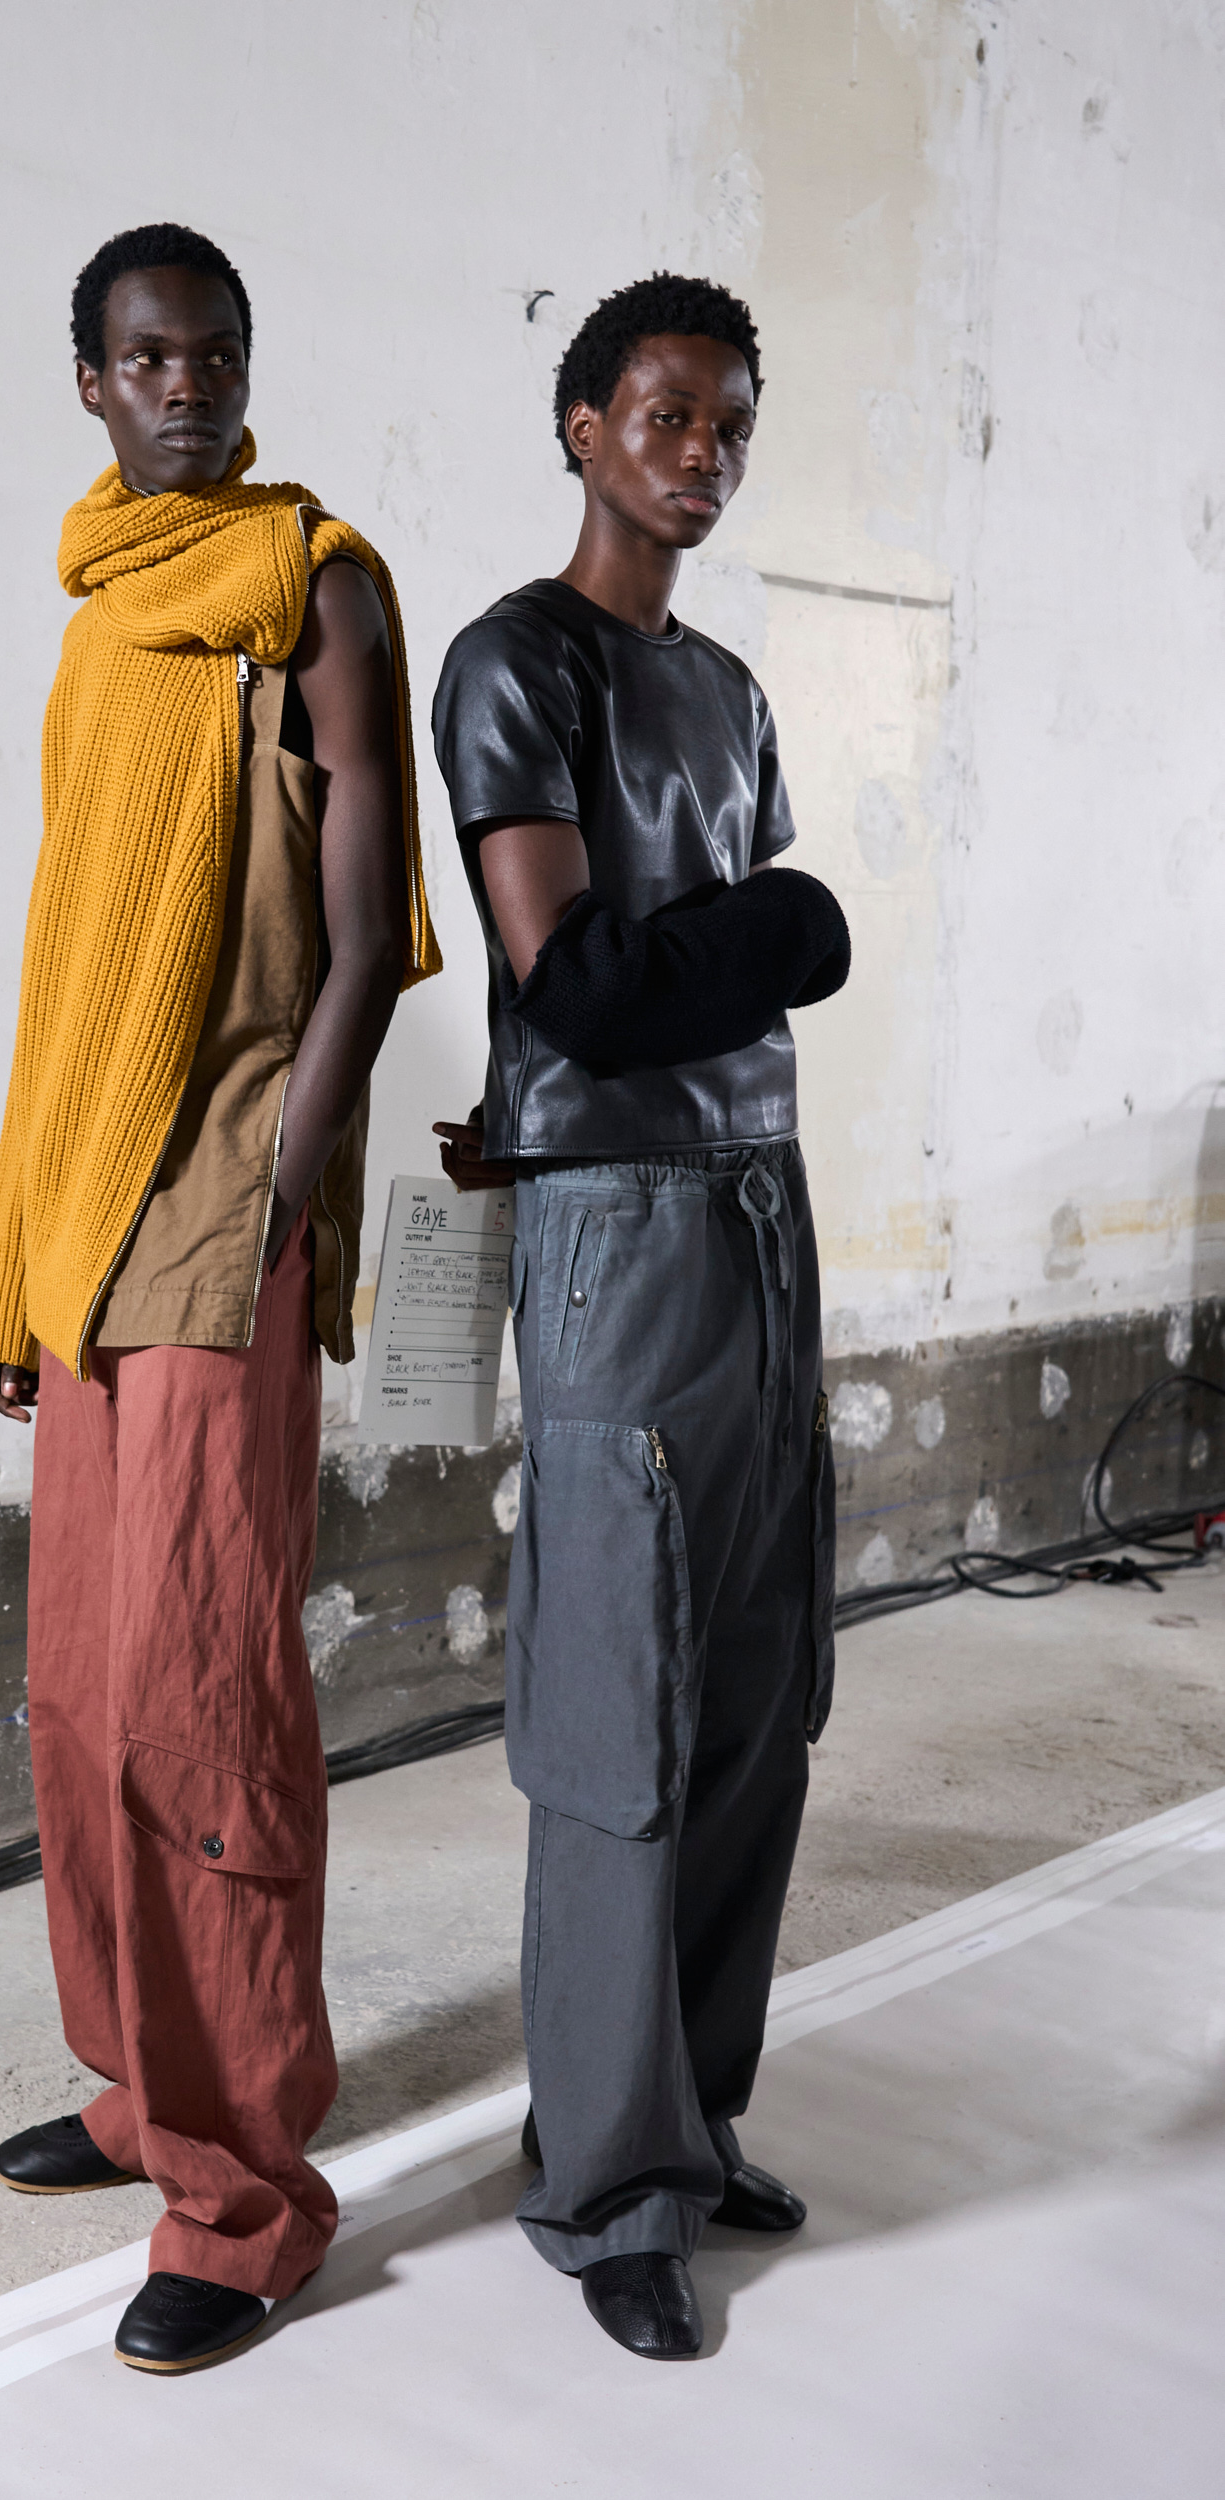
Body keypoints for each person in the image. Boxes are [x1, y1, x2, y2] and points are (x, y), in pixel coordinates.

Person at [0, 222, 440, 2375]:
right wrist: (12, 1246)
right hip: (86, 1209)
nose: (187, 386)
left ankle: (245, 2189)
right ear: (89, 381)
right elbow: (73, 969)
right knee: (79, 1692)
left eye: (217, 354)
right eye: (147, 357)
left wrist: (273, 1193)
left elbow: (361, 940)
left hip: (218, 1201)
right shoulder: (96, 604)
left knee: (201, 1702)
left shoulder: (317, 584)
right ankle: (138, 2081)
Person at [431, 273, 848, 2360]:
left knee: (763, 1683)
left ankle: (693, 2117)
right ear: (583, 423)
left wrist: (736, 945)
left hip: (762, 1197)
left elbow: (707, 952)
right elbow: (577, 986)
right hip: (614, 1220)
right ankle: (601, 2178)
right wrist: (769, 936)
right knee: (627, 1702)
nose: (701, 451)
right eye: (667, 413)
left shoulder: (734, 690)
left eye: (729, 424)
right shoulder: (518, 661)